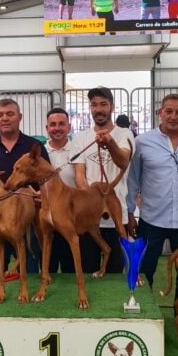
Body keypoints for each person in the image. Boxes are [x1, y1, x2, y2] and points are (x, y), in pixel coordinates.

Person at [126, 94, 178, 303]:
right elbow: (133, 178)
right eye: (168, 111)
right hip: (152, 219)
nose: (173, 116)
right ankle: (144, 312)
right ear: (160, 113)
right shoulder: (142, 142)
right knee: (145, 269)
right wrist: (129, 211)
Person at [0, 98, 50, 278]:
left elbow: (47, 182)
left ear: (20, 117)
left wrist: (42, 197)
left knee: (28, 276)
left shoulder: (34, 148)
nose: (5, 118)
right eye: (0, 115)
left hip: (27, 227)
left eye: (10, 114)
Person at [71, 87, 133, 274]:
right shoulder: (80, 138)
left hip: (116, 213)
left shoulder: (125, 134)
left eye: (103, 104)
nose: (98, 109)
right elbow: (79, 176)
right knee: (88, 267)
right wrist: (92, 202)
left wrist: (109, 142)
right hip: (88, 215)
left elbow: (123, 161)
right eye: (94, 105)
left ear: (112, 107)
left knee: (115, 272)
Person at [44, 108, 76, 273]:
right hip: (47, 219)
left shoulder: (77, 150)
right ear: (46, 128)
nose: (57, 128)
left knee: (70, 267)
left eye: (61, 124)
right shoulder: (40, 153)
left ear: (69, 127)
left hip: (71, 218)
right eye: (53, 124)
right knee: (47, 268)